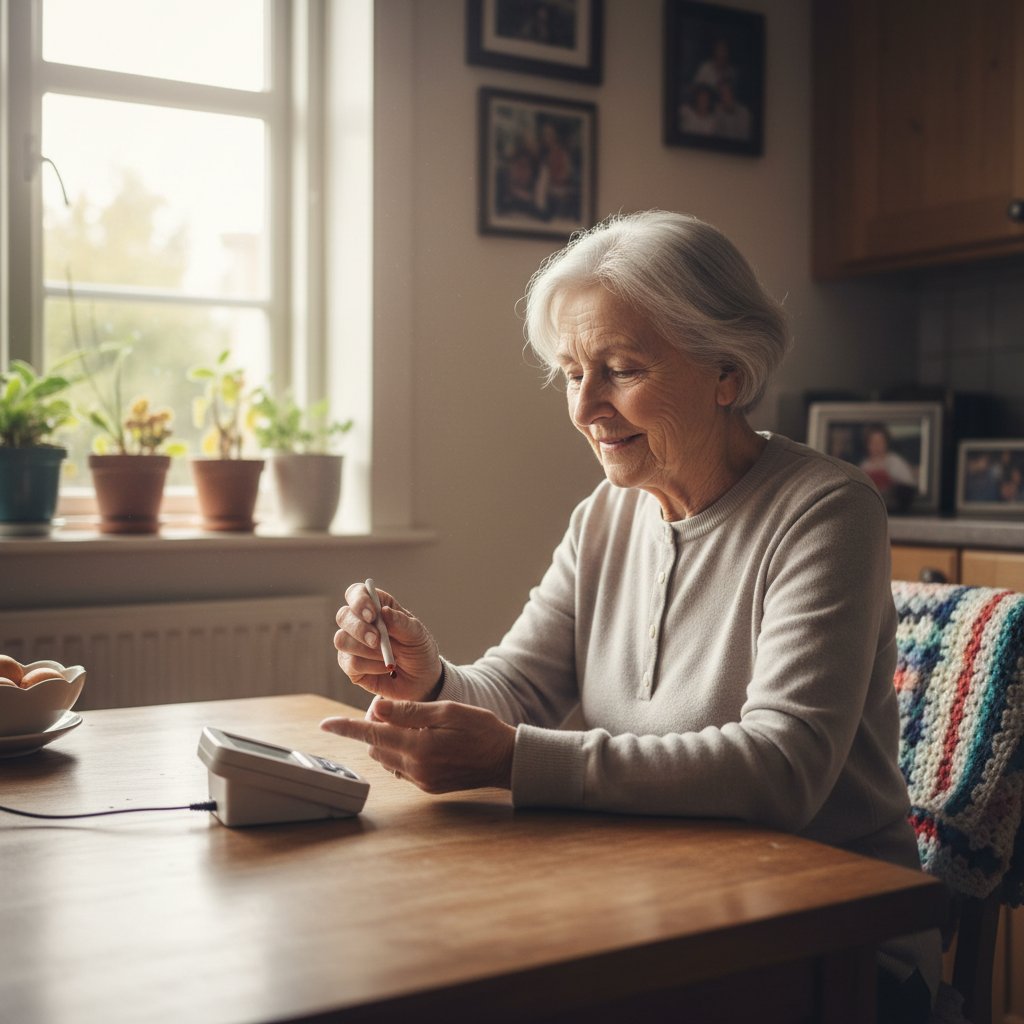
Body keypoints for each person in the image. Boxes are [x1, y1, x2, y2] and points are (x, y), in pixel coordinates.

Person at [323, 210, 941, 1023]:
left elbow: (782, 767)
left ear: (727, 373)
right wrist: (431, 678)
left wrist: (515, 760)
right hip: (660, 901)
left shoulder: (827, 511)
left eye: (619, 369)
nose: (587, 407)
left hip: (828, 943)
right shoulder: (607, 516)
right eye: (572, 373)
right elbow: (518, 688)